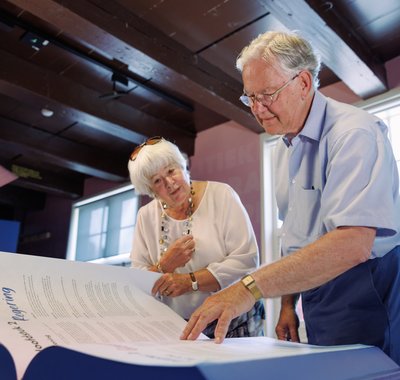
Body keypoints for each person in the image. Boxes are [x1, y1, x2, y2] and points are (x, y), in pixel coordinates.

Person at [181, 31, 400, 365]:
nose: (258, 108)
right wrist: (287, 306)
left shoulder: (354, 132)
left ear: (303, 82)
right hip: (316, 294)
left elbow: (352, 244)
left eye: (267, 94)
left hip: (368, 289)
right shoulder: (284, 146)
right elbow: (295, 238)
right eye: (250, 98)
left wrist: (247, 288)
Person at [127, 136, 264, 338]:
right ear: (150, 190)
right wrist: (164, 265)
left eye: (171, 171)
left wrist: (188, 281)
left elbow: (246, 260)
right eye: (157, 181)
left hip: (232, 318)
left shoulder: (222, 195)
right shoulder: (146, 217)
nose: (170, 183)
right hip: (179, 327)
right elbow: (137, 281)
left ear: (182, 166)